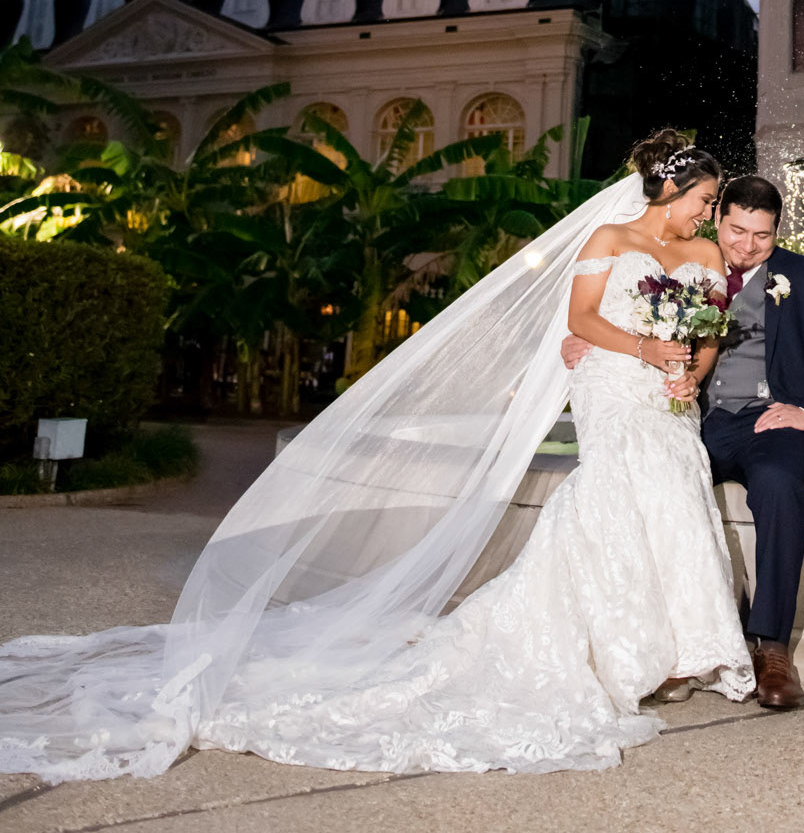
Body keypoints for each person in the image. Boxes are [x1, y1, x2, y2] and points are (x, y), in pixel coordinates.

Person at [0, 130, 763, 782]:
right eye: (705, 198)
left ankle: (678, 648)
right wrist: (643, 347)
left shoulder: (700, 253)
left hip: (668, 396)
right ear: (672, 190)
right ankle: (618, 646)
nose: (711, 211)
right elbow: (581, 318)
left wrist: (686, 373)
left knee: (675, 490)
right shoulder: (609, 240)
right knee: (613, 491)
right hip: (609, 382)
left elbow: (707, 334)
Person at [564, 171, 804, 711]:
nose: (747, 247)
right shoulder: (679, 264)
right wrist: (582, 341)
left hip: (771, 420)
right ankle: (660, 644)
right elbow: (612, 316)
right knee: (652, 481)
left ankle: (771, 648)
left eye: (762, 236)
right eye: (736, 231)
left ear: (777, 231)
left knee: (779, 485)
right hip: (698, 420)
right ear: (718, 216)